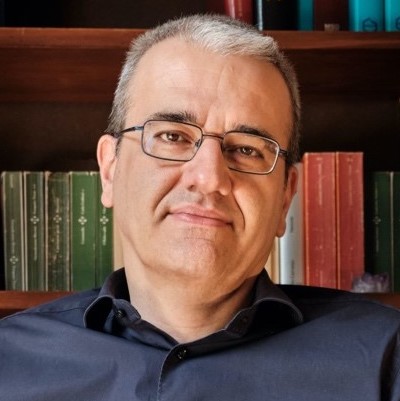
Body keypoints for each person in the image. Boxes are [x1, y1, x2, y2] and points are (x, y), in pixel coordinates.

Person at [1, 14, 400, 401]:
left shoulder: (388, 361)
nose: (209, 177)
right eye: (172, 136)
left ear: (285, 197)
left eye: (247, 149)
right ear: (110, 169)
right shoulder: (8, 363)